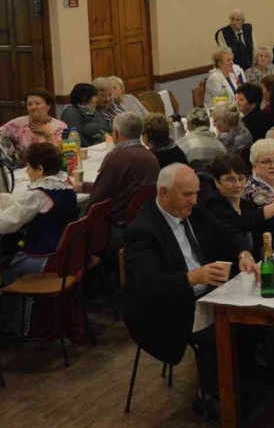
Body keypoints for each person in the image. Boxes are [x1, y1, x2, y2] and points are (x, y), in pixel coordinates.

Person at [123, 163, 261, 416]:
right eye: (186, 194)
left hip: (208, 294)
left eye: (196, 193)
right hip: (168, 307)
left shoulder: (194, 211)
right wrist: (192, 277)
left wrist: (243, 253)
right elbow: (148, 285)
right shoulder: (142, 232)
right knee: (224, 330)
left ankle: (247, 384)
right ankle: (213, 396)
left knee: (257, 315)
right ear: (164, 193)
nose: (193, 200)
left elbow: (228, 232)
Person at [0, 143, 79, 334]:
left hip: (44, 257)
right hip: (65, 253)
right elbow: (27, 203)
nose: (27, 172)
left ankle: (18, 327)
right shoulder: (64, 185)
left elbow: (5, 224)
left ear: (40, 169)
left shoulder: (38, 194)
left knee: (5, 266)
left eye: (29, 167)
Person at [200, 153, 274, 253]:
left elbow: (265, 231)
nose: (237, 185)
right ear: (217, 182)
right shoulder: (212, 205)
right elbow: (240, 224)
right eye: (230, 179)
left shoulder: (247, 205)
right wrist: (273, 208)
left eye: (241, 178)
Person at [89, 112, 161, 226]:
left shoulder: (115, 157)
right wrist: (83, 186)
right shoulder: (151, 156)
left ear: (116, 133)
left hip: (118, 226)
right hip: (145, 221)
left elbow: (98, 198)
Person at [0, 89, 67, 167]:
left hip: (50, 169)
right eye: (29, 104)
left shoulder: (60, 126)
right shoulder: (18, 124)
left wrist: (48, 133)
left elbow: (59, 155)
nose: (33, 107)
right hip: (22, 171)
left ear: (48, 106)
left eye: (38, 103)